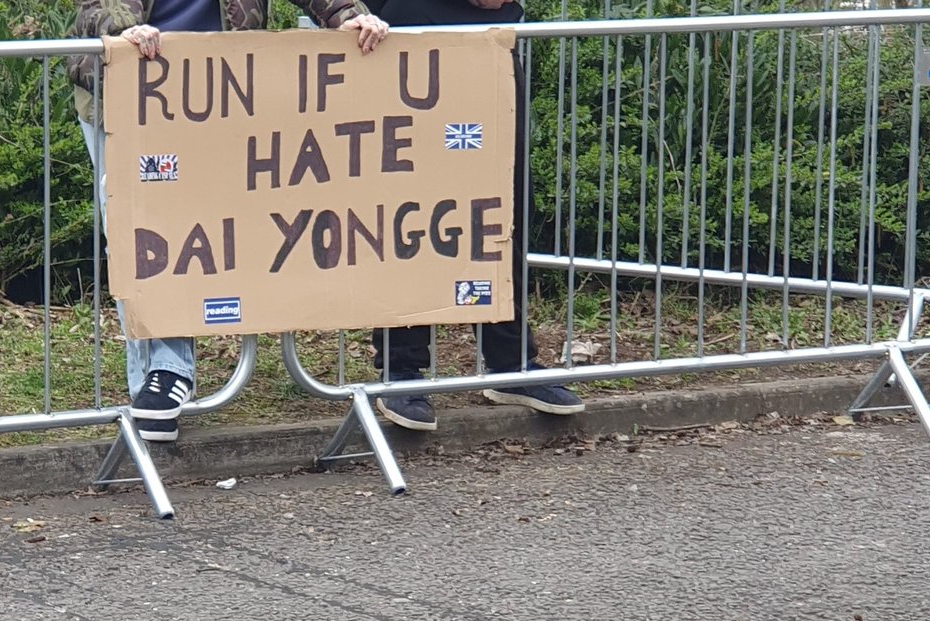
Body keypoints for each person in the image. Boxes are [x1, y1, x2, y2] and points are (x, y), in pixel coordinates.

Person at [67, 1, 389, 442]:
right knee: (137, 228)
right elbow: (100, 7)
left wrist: (348, 14)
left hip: (220, 91)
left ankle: (163, 377)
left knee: (192, 225)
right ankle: (162, 374)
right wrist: (124, 29)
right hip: (130, 87)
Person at [367, 0, 584, 432]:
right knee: (409, 217)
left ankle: (511, 364)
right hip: (409, 46)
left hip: (488, 58)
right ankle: (401, 370)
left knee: (500, 217)